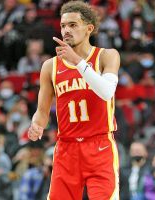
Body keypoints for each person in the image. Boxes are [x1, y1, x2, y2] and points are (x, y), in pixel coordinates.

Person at [28, 1, 120, 199]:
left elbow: (106, 92)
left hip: (100, 145)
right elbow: (42, 111)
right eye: (63, 26)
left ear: (89, 29)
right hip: (67, 148)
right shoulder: (50, 66)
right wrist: (37, 124)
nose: (66, 30)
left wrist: (77, 61)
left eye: (72, 25)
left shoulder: (107, 56)